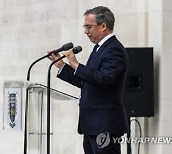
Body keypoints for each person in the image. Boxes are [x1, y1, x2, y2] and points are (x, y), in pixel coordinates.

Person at [48, 6, 129, 154]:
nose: (86, 31)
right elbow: (86, 81)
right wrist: (61, 66)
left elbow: (104, 79)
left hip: (105, 124)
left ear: (103, 26)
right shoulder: (99, 48)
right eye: (85, 26)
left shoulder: (114, 49)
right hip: (92, 124)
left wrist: (76, 64)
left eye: (89, 27)